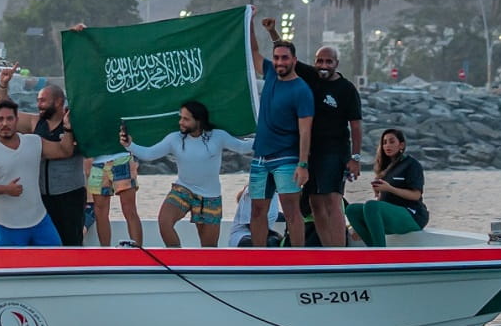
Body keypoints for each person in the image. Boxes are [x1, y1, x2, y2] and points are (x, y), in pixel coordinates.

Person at [122, 101, 254, 247]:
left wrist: (265, 138)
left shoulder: (218, 136)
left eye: (186, 119)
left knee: (209, 248)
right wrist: (130, 145)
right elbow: (149, 154)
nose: (181, 122)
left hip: (209, 197)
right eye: (181, 118)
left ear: (198, 120)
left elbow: (242, 148)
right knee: (164, 221)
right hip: (183, 189)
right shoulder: (174, 139)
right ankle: (176, 259)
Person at [283, 24, 363, 253]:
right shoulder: (312, 77)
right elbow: (286, 55)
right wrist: (272, 33)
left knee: (332, 200)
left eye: (329, 62)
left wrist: (355, 158)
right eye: (320, 61)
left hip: (335, 151)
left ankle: (340, 252)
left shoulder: (347, 89)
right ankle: (329, 252)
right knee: (315, 203)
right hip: (310, 153)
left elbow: (356, 126)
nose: (324, 66)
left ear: (336, 63)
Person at [0, 66, 89, 244]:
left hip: (69, 194)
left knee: (71, 240)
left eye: (43, 101)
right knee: (45, 243)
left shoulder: (75, 124)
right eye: (38, 100)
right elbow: (5, 112)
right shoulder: (35, 122)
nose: (38, 105)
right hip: (41, 195)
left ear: (59, 102)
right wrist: (3, 85)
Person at [247, 24, 317, 248]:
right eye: (276, 57)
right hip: (260, 157)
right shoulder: (269, 73)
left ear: (294, 60)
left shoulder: (301, 90)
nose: (279, 62)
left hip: (286, 158)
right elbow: (254, 52)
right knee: (257, 210)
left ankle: (297, 259)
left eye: (284, 58)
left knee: (291, 212)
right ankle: (259, 259)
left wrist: (303, 164)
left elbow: (306, 130)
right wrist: (249, 22)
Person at [0, 98, 65, 246]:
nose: (5, 123)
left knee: (58, 262)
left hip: (40, 221)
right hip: (8, 226)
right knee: (14, 269)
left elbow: (63, 150)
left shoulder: (34, 141)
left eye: (9, 118)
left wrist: (69, 127)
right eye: (0, 119)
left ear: (17, 120)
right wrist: (5, 189)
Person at [348, 128, 429, 247]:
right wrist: (378, 194)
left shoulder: (411, 164)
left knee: (371, 205)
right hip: (391, 215)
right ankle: (373, 249)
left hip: (412, 215)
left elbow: (416, 195)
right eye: (384, 142)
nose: (387, 145)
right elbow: (381, 203)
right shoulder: (386, 168)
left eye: (391, 142)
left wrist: (390, 189)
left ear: (401, 145)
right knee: (352, 209)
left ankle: (380, 252)